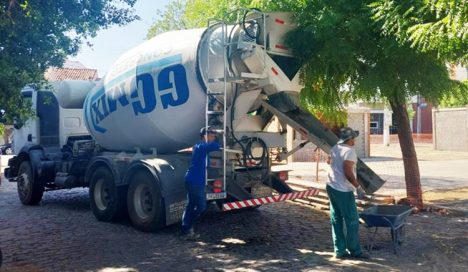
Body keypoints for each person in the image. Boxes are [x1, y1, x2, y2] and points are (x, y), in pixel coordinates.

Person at [326, 127, 370, 259]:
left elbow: (328, 161)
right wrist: (358, 187)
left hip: (331, 186)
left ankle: (339, 251)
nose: (355, 140)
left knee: (336, 218)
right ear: (349, 139)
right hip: (343, 190)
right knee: (352, 221)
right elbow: (348, 171)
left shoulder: (335, 147)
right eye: (354, 138)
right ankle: (355, 250)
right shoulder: (349, 151)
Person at [180, 126, 221, 240]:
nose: (213, 138)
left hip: (193, 180)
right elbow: (216, 146)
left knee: (190, 206)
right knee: (201, 206)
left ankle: (185, 230)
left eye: (214, 136)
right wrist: (220, 138)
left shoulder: (201, 148)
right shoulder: (200, 147)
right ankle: (187, 228)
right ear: (204, 136)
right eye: (212, 136)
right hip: (194, 182)